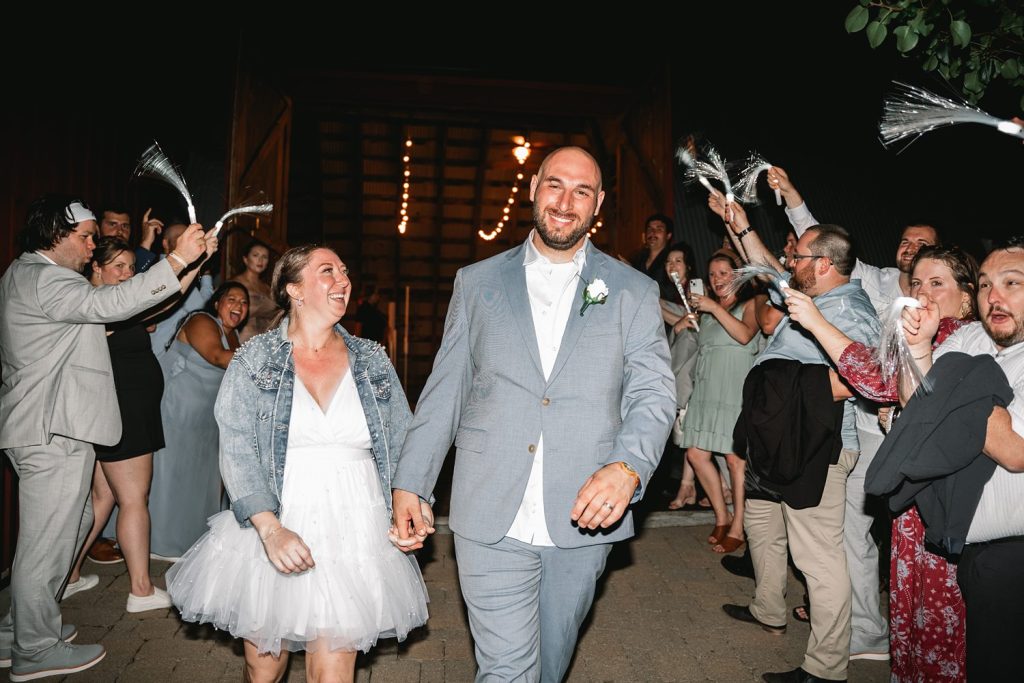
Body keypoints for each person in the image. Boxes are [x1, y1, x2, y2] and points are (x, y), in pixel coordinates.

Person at [390, 146, 676, 681]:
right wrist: (412, 481)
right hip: (488, 508)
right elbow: (446, 388)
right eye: (555, 185)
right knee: (505, 669)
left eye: (582, 191)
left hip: (584, 514)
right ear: (532, 189)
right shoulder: (476, 283)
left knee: (550, 662)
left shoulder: (634, 291)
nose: (565, 202)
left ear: (598, 205)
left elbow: (654, 394)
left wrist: (628, 466)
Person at [167, 245, 428, 683]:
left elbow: (404, 438)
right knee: (263, 667)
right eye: (328, 272)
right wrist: (270, 529)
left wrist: (413, 500)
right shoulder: (255, 359)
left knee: (333, 670)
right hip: (276, 516)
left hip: (354, 525)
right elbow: (235, 445)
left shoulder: (372, 359)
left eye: (345, 271)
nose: (343, 280)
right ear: (294, 290)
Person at [0, 195, 208, 680]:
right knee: (47, 544)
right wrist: (175, 258)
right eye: (87, 236)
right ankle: (34, 648)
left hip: (59, 426)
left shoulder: (34, 277)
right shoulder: (43, 278)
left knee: (59, 536)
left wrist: (188, 264)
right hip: (51, 427)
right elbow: (111, 302)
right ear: (55, 233)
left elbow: (124, 312)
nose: (93, 246)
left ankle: (18, 631)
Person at [769, 165, 940, 660]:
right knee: (852, 530)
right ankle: (867, 629)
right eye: (905, 242)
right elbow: (821, 252)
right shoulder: (880, 280)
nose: (909, 248)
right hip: (868, 426)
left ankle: (906, 637)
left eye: (921, 243)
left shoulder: (943, 301)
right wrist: (792, 196)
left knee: (915, 538)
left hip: (908, 428)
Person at [785, 245, 978, 681]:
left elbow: (876, 379)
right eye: (917, 283)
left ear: (967, 296)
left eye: (937, 283)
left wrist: (816, 321)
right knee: (911, 612)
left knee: (941, 621)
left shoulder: (962, 338)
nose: (922, 293)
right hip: (915, 502)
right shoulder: (928, 337)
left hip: (948, 505)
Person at [715, 196, 879, 683]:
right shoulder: (814, 296)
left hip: (815, 444)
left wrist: (784, 397)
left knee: (819, 558)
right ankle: (769, 609)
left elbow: (859, 376)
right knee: (763, 527)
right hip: (777, 437)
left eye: (799, 257)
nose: (790, 262)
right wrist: (742, 227)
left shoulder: (850, 309)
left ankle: (826, 668)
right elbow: (767, 269)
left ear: (824, 263)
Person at [62, 236, 215, 614]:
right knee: (133, 499)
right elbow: (157, 300)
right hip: (122, 413)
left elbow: (164, 297)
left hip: (120, 410)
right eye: (117, 266)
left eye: (131, 267)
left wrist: (196, 263)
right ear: (95, 268)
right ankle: (141, 590)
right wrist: (185, 264)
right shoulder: (100, 308)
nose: (127, 273)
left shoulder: (115, 303)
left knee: (103, 498)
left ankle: (67, 575)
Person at [896, 237, 1024, 681]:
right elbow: (915, 404)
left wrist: (952, 389)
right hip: (974, 551)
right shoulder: (972, 336)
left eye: (1012, 283)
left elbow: (1013, 451)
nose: (995, 297)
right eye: (987, 284)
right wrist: (919, 348)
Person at [148, 282, 249, 560]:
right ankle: (159, 543)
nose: (238, 306)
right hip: (176, 411)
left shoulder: (236, 336)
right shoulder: (202, 320)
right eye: (232, 299)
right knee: (171, 476)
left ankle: (188, 541)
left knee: (197, 480)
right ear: (217, 303)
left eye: (243, 302)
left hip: (205, 419)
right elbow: (217, 357)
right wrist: (266, 356)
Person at [678, 249, 761, 552]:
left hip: (734, 391)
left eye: (724, 273)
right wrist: (686, 323)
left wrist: (714, 307)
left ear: (737, 275)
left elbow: (744, 335)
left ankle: (738, 527)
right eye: (712, 275)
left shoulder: (752, 303)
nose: (717, 279)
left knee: (734, 460)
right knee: (696, 454)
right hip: (707, 391)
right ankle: (722, 516)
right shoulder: (707, 311)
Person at [660, 243, 701, 510]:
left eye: (679, 261)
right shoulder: (659, 297)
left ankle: (692, 485)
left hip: (697, 367)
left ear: (688, 266)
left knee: (691, 425)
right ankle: (688, 484)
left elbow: (697, 323)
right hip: (675, 368)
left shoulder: (698, 291)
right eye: (669, 261)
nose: (673, 265)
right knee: (685, 427)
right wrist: (677, 324)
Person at [149, 222, 215, 363]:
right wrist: (203, 265)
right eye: (181, 237)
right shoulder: (158, 271)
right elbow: (200, 309)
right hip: (159, 356)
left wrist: (205, 270)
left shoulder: (187, 271)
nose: (189, 240)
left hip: (181, 358)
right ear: (166, 244)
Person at [233, 239, 279, 342]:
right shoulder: (235, 284)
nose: (260, 260)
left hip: (267, 341)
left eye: (264, 257)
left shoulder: (267, 287)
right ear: (245, 259)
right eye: (255, 255)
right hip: (244, 340)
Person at [629, 213, 676, 299]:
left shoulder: (673, 260)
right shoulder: (638, 259)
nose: (653, 233)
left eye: (659, 229)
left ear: (668, 235)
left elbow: (670, 292)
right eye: (649, 229)